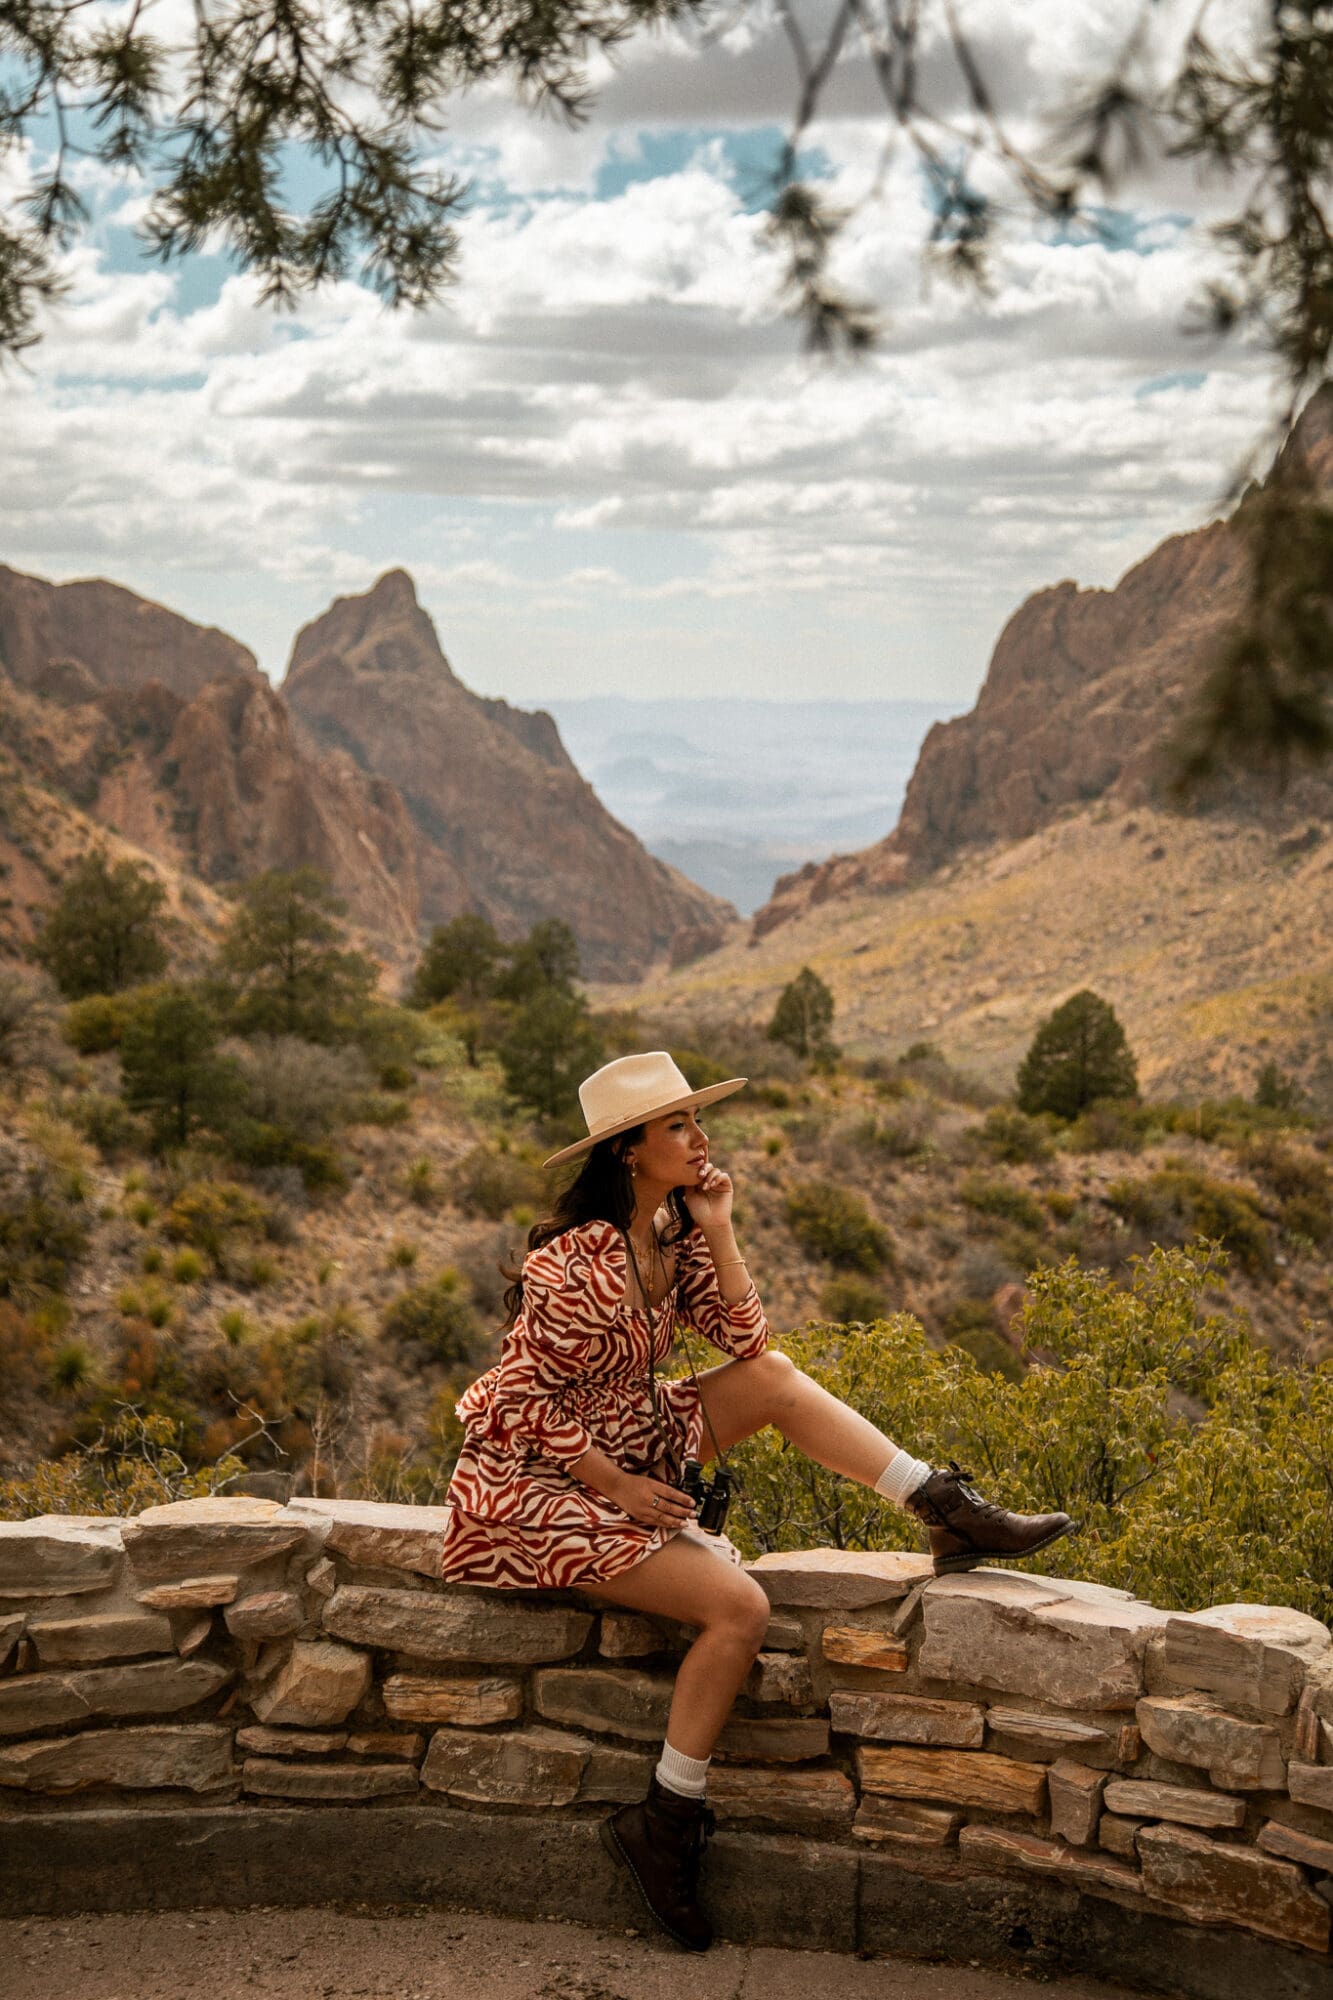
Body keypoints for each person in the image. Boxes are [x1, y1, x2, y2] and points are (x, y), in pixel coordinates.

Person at [438, 1053, 1073, 1953]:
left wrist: (720, 1226)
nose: (700, 1139)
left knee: (770, 1378)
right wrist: (619, 1488)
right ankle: (663, 1825)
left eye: (696, 1122)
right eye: (678, 1128)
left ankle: (940, 1505)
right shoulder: (571, 1265)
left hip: (624, 1430)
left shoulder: (667, 1232)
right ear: (628, 1150)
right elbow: (517, 1401)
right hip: (533, 1479)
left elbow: (746, 1339)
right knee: (738, 1608)